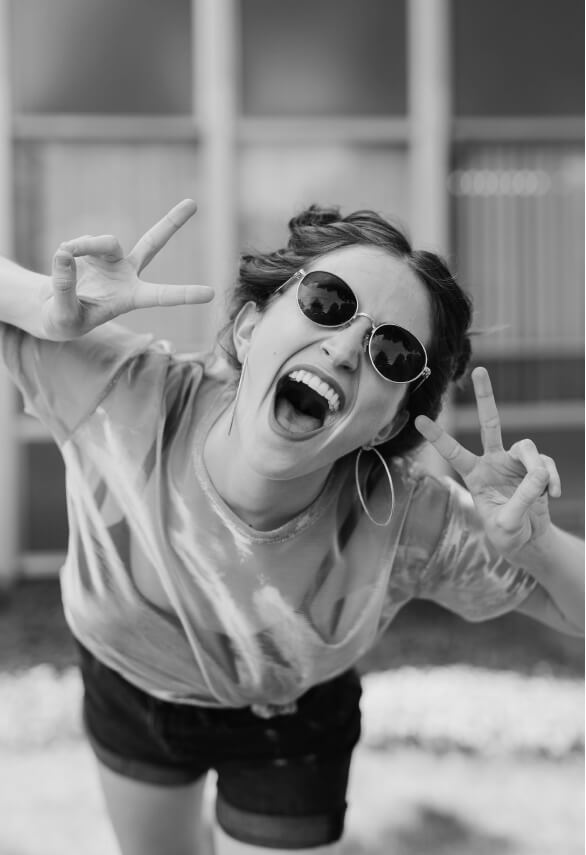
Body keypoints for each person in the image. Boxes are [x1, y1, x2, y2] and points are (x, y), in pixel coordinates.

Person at [0, 199, 583, 855]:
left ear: (390, 423)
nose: (345, 349)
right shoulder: (120, 391)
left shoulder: (405, 517)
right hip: (129, 681)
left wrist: (539, 545)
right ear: (250, 328)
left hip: (294, 720)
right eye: (328, 302)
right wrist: (40, 307)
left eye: (392, 352)